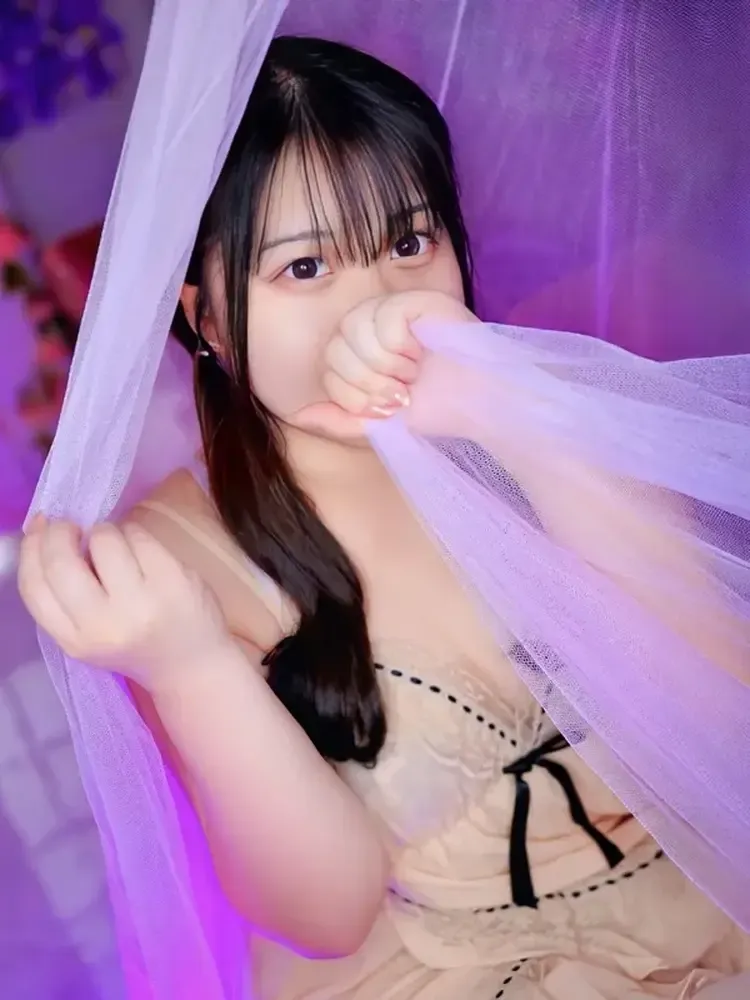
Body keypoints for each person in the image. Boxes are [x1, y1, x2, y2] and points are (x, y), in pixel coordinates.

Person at [17, 36, 750, 999]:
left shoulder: (537, 408)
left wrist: (518, 421)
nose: (374, 311)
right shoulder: (174, 560)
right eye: (305, 267)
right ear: (208, 319)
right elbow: (327, 917)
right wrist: (190, 663)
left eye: (409, 244)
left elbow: (724, 714)